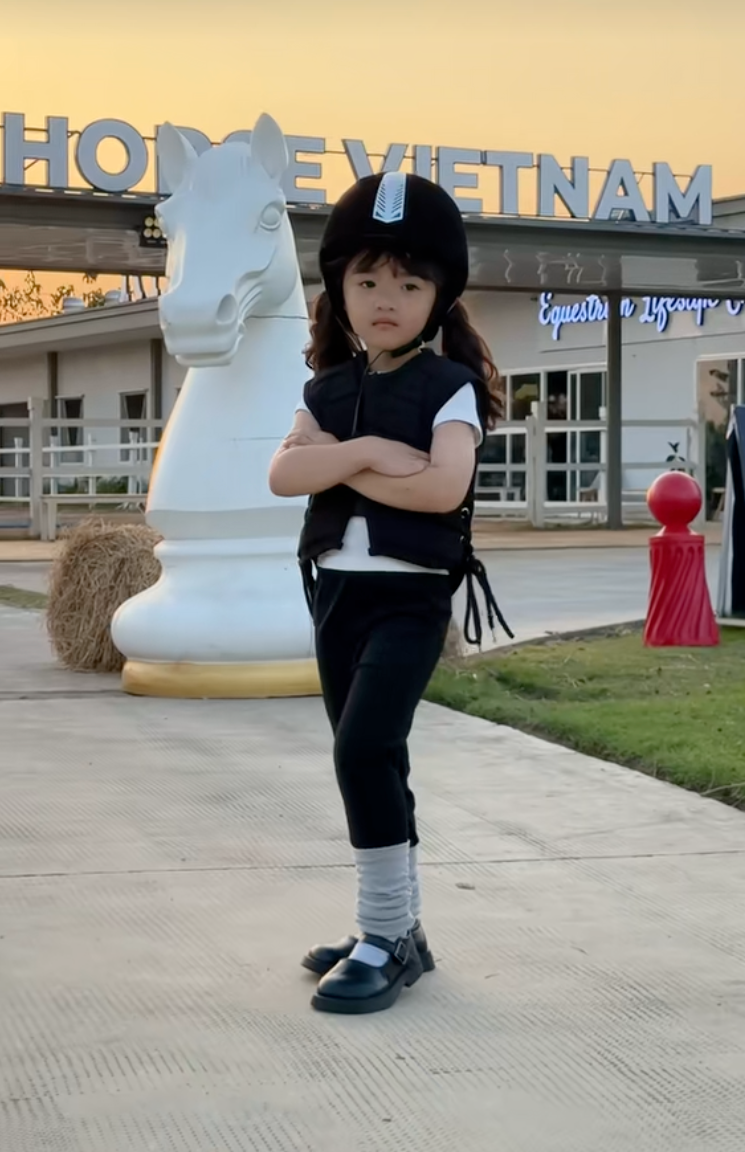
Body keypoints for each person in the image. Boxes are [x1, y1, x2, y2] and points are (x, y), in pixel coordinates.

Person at [268, 170, 511, 1015]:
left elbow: (442, 489)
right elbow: (283, 475)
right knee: (377, 758)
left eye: (409, 284)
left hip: (408, 600)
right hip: (335, 595)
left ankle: (381, 936)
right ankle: (399, 927)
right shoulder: (325, 391)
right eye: (367, 280)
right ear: (338, 288)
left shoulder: (449, 388)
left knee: (362, 751)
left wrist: (336, 463)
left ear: (438, 298)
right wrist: (373, 451)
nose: (385, 299)